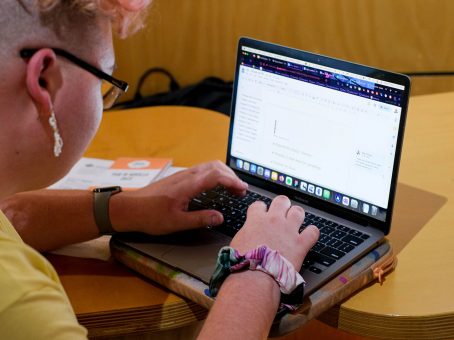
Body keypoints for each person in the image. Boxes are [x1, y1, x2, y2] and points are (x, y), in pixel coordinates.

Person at [0, 1, 319, 339]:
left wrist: (125, 208)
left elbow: (12, 217)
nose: (104, 99)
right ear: (44, 81)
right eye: (104, 84)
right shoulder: (20, 301)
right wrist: (260, 268)